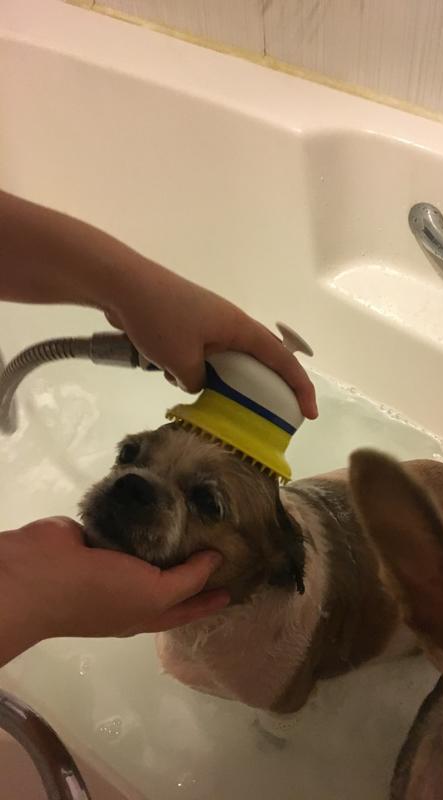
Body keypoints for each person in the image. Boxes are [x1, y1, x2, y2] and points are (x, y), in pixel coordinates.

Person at [0, 190, 317, 667]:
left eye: (206, 502)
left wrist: (130, 289)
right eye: (131, 456)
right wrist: (37, 593)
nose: (131, 484)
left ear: (274, 559)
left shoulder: (283, 598)